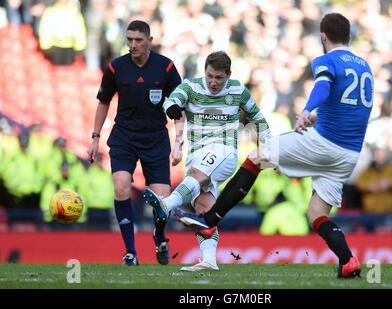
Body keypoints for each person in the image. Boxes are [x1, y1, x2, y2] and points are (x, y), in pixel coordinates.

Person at [175, 13, 374, 279]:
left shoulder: (326, 60)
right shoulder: (365, 67)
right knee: (316, 214)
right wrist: (316, 118)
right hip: (348, 154)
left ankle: (209, 221)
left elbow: (323, 87)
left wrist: (306, 109)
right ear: (349, 37)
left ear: (323, 37)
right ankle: (348, 260)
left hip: (324, 144)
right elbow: (352, 108)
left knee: (256, 157)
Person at [143, 51, 271, 271]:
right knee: (203, 210)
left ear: (229, 75)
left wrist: (273, 150)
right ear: (205, 72)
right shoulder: (191, 87)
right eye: (210, 76)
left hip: (225, 151)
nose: (213, 82)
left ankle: (167, 203)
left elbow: (258, 119)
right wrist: (171, 108)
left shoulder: (239, 90)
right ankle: (209, 260)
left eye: (219, 78)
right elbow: (171, 100)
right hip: (196, 154)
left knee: (194, 177)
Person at [87, 20, 182, 266]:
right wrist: (95, 137)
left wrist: (179, 141)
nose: (133, 44)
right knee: (120, 186)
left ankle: (160, 236)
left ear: (149, 41)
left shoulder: (166, 67)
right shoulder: (116, 67)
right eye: (129, 39)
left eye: (138, 40)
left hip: (155, 138)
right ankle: (130, 252)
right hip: (124, 137)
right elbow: (103, 101)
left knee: (162, 202)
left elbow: (179, 107)